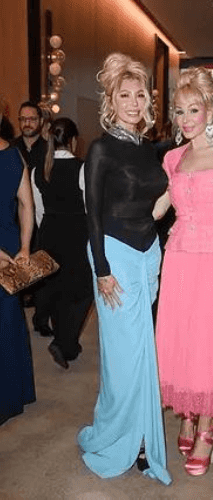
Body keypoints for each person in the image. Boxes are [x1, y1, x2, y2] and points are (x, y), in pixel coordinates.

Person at [153, 66, 213, 477]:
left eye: (195, 109)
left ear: (211, 110)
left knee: (212, 340)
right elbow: (160, 206)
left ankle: (208, 428)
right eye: (179, 111)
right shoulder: (172, 158)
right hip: (178, 256)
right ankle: (188, 411)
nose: (187, 118)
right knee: (181, 337)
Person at [78, 52, 171, 485]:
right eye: (124, 95)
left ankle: (138, 435)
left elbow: (155, 209)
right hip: (113, 257)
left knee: (142, 355)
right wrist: (101, 269)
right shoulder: (100, 149)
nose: (133, 103)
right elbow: (92, 214)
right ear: (110, 100)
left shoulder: (151, 149)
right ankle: (125, 438)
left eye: (139, 95)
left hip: (149, 255)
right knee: (124, 358)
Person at [31, 117, 93, 369]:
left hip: (49, 233)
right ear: (74, 140)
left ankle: (64, 341)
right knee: (83, 292)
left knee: (57, 292)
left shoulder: (37, 170)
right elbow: (91, 207)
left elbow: (38, 210)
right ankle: (65, 343)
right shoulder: (82, 168)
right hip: (77, 234)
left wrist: (46, 232)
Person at [0, 122, 36, 426]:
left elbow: (26, 204)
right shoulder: (14, 156)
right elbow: (27, 205)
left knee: (7, 320)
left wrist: (24, 248)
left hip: (7, 252)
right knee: (7, 320)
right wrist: (22, 246)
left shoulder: (13, 157)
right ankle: (12, 394)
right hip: (8, 248)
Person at [13, 101, 51, 335]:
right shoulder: (11, 148)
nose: (27, 123)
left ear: (40, 122)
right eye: (23, 119)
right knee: (16, 268)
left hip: (44, 216)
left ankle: (40, 318)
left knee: (42, 269)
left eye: (32, 119)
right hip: (15, 217)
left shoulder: (49, 148)